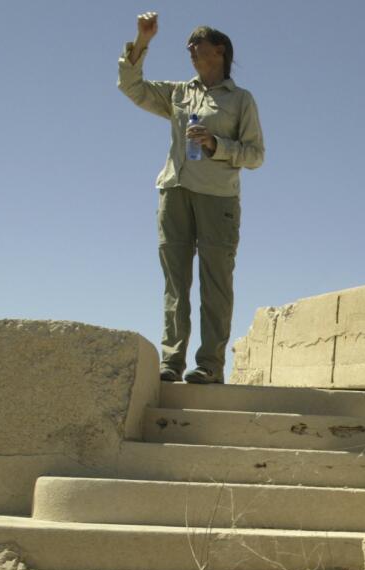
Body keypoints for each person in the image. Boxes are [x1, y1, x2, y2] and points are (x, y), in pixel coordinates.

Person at [118, 12, 264, 383]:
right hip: (175, 192)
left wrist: (216, 144)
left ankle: (210, 366)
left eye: (197, 42)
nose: (190, 48)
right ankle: (171, 361)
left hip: (218, 199)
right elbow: (133, 87)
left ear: (219, 50)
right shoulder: (180, 93)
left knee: (215, 285)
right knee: (175, 283)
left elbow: (255, 155)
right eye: (188, 44)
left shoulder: (241, 100)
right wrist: (142, 40)